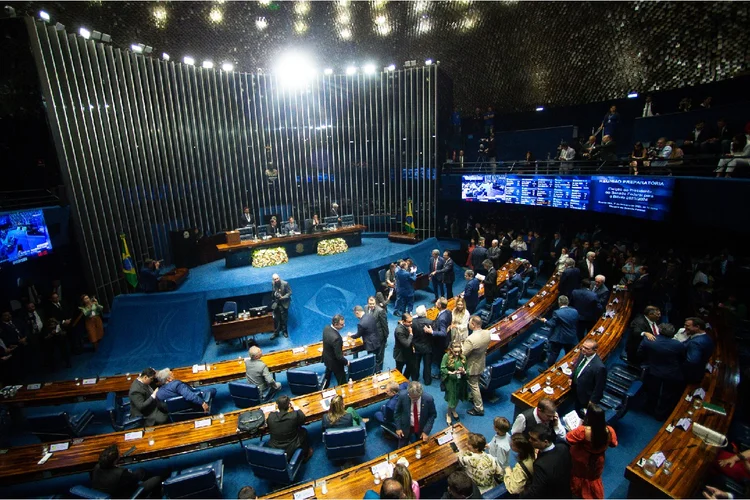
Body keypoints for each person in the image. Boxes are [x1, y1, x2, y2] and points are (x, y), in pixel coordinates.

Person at [566, 403, 618, 499]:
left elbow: (569, 438)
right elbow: (614, 444)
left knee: (579, 478)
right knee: (593, 478)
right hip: (598, 461)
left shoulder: (583, 431)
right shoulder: (609, 430)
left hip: (581, 461)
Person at [637, 323, 686, 420]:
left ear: (659, 330)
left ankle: (649, 409)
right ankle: (660, 415)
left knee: (652, 391)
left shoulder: (649, 340)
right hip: (671, 373)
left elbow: (639, 353)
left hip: (653, 370)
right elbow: (682, 358)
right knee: (667, 395)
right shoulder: (678, 345)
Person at [91, 444, 162, 498]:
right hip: (123, 495)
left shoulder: (96, 467)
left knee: (141, 471)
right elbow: (134, 482)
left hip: (104, 493)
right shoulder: (121, 473)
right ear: (114, 461)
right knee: (157, 478)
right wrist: (128, 472)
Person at [522, 424, 572, 498]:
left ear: (545, 442)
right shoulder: (563, 447)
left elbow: (536, 491)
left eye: (534, 439)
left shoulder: (540, 465)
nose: (530, 440)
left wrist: (522, 495)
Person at [267, 394, 313, 461]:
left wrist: (277, 410)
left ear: (277, 406)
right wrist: (296, 408)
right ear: (289, 405)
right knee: (304, 431)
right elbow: (302, 418)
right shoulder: (294, 416)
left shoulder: (271, 416)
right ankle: (306, 454)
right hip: (291, 446)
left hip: (275, 446)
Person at [539, 295, 578, 370]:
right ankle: (568, 367)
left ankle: (549, 369)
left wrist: (545, 321)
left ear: (559, 303)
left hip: (559, 337)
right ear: (568, 302)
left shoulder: (557, 313)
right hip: (571, 336)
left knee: (554, 353)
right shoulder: (575, 311)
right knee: (568, 354)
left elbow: (551, 324)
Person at [462, 315, 490, 417]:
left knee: (474, 386)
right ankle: (472, 397)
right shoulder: (487, 333)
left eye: (470, 322)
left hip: (472, 366)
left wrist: (461, 346)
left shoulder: (470, 339)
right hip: (481, 362)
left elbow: (463, 354)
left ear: (473, 325)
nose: (469, 323)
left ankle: (479, 408)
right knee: (476, 382)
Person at [394, 381, 436, 447]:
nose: (414, 400)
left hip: (421, 427)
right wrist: (398, 428)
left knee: (421, 448)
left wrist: (426, 431)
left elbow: (432, 415)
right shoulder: (402, 396)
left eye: (416, 398)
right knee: (401, 449)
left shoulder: (428, 399)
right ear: (408, 393)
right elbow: (397, 412)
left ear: (421, 394)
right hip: (405, 427)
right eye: (412, 397)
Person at [570, 339, 607, 416]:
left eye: (587, 348)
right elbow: (577, 366)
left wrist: (592, 401)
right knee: (576, 405)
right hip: (577, 389)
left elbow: (599, 387)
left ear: (595, 350)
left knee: (581, 414)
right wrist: (571, 377)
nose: (583, 349)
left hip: (586, 396)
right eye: (583, 347)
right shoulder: (583, 353)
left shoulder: (599, 367)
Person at [441, 340, 468, 425]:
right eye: (455, 351)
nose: (457, 354)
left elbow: (467, 369)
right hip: (451, 381)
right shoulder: (446, 356)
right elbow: (442, 368)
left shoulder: (463, 357)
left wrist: (463, 371)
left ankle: (453, 410)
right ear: (451, 349)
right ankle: (448, 414)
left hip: (460, 381)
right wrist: (451, 372)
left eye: (458, 351)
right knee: (452, 399)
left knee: (458, 397)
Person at [682, 316, 715, 383]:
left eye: (687, 326)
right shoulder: (706, 337)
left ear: (697, 327)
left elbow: (692, 362)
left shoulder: (695, 343)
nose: (685, 327)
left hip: (689, 376)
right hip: (699, 371)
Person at [322, 314, 349, 387]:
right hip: (335, 363)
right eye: (342, 325)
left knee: (327, 376)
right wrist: (346, 362)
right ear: (336, 324)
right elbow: (339, 357)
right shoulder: (336, 338)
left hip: (327, 358)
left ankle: (324, 388)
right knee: (342, 381)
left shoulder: (326, 328)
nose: (343, 326)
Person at [352, 305, 382, 369]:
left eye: (355, 314)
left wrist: (351, 335)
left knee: (372, 361)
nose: (356, 316)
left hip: (370, 345)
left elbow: (358, 335)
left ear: (357, 312)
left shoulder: (361, 324)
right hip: (377, 341)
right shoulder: (370, 315)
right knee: (377, 358)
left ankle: (375, 373)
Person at [411, 305, 434, 385]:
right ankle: (427, 380)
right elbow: (432, 335)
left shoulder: (413, 322)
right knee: (427, 365)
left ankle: (414, 378)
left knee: (416, 364)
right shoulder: (430, 322)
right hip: (427, 346)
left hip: (416, 346)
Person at [367, 296, 389, 372]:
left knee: (379, 355)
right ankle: (371, 369)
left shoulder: (380, 311)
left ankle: (379, 371)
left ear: (375, 303)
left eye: (373, 303)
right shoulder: (366, 308)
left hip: (379, 337)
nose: (371, 305)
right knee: (370, 354)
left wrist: (385, 337)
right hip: (369, 338)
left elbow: (385, 325)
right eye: (370, 304)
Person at [393, 313, 415, 380]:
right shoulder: (399, 330)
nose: (411, 323)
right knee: (398, 371)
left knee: (410, 367)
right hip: (401, 354)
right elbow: (406, 344)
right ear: (403, 321)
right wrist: (411, 334)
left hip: (409, 353)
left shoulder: (408, 326)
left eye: (411, 321)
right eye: (409, 322)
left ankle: (405, 380)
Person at [270, 274, 292, 339]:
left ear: (279, 278)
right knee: (276, 318)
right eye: (275, 279)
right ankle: (276, 333)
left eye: (277, 278)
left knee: (284, 319)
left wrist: (283, 297)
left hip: (284, 302)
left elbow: (290, 292)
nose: (276, 280)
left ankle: (284, 331)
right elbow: (273, 291)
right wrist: (274, 295)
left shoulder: (285, 283)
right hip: (277, 303)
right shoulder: (273, 283)